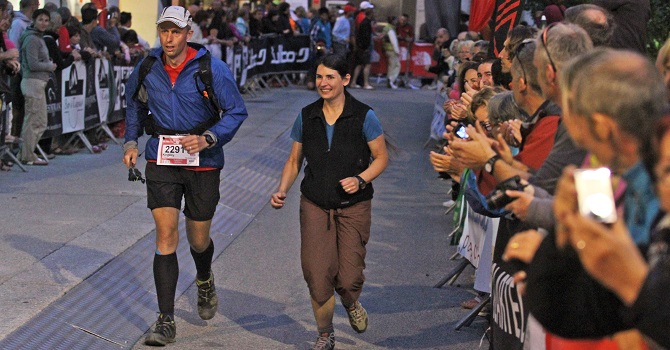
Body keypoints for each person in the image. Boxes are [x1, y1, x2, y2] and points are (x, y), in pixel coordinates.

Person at [123, 6, 248, 346]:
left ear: (188, 33)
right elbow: (133, 102)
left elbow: (237, 110)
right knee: (165, 237)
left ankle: (204, 277)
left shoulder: (211, 68)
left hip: (203, 161)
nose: (169, 37)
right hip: (161, 158)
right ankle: (166, 320)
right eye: (164, 30)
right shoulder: (148, 65)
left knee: (197, 239)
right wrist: (132, 140)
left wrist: (209, 137)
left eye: (176, 31)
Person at [270, 53, 388, 350]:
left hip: (354, 205)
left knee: (348, 279)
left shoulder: (364, 115)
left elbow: (381, 157)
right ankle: (325, 333)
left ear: (345, 80)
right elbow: (294, 160)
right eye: (320, 76)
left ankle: (350, 302)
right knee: (317, 273)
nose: (323, 83)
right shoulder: (307, 115)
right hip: (315, 203)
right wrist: (282, 188)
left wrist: (361, 179)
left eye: (330, 77)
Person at [17, 8, 55, 166]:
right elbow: (32, 64)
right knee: (34, 121)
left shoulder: (37, 37)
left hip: (37, 83)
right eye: (40, 19)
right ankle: (27, 155)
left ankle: (25, 153)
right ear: (34, 20)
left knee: (38, 121)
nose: (44, 23)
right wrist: (49, 66)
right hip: (33, 82)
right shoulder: (32, 39)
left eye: (46, 20)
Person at [350, 2, 374, 90]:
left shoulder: (360, 19)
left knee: (359, 64)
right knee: (367, 64)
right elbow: (365, 36)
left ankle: (353, 82)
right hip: (364, 47)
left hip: (360, 46)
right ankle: (365, 83)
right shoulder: (365, 21)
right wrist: (365, 47)